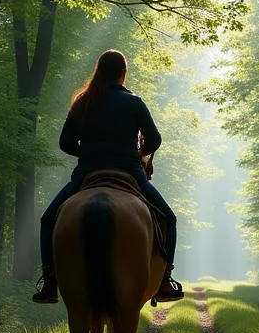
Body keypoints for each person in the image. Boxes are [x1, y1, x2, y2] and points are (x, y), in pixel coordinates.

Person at [33, 49, 184, 304]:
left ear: (98, 71)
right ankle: (165, 281)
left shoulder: (83, 101)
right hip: (130, 173)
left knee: (48, 219)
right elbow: (155, 139)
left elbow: (65, 143)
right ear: (123, 73)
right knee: (168, 218)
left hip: (87, 173)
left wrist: (90, 151)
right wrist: (138, 153)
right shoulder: (134, 102)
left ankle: (50, 282)